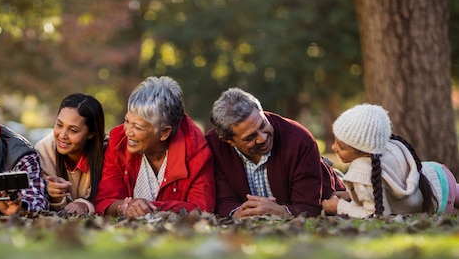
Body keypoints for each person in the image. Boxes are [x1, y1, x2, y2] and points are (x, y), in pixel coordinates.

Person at [206, 88, 344, 218]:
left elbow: (310, 207)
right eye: (250, 137)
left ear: (262, 112)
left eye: (262, 125)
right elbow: (224, 201)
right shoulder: (214, 147)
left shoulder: (299, 140)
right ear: (228, 141)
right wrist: (240, 214)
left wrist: (281, 211)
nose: (262, 138)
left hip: (328, 188)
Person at [94, 76, 216, 217]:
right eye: (127, 121)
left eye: (138, 127)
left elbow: (202, 208)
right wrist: (124, 207)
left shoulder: (197, 152)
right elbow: (103, 200)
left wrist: (151, 208)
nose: (127, 132)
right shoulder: (118, 141)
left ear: (164, 132)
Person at [321, 103, 459, 218]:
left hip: (439, 198)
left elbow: (375, 214)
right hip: (438, 176)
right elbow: (382, 189)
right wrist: (350, 194)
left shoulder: (362, 168)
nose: (333, 147)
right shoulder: (387, 147)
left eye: (341, 146)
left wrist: (337, 206)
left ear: (364, 151)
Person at [35, 93, 106, 215]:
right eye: (59, 125)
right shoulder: (44, 150)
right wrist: (52, 195)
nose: (62, 135)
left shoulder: (107, 152)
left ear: (91, 133)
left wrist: (84, 205)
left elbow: (108, 197)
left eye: (73, 130)